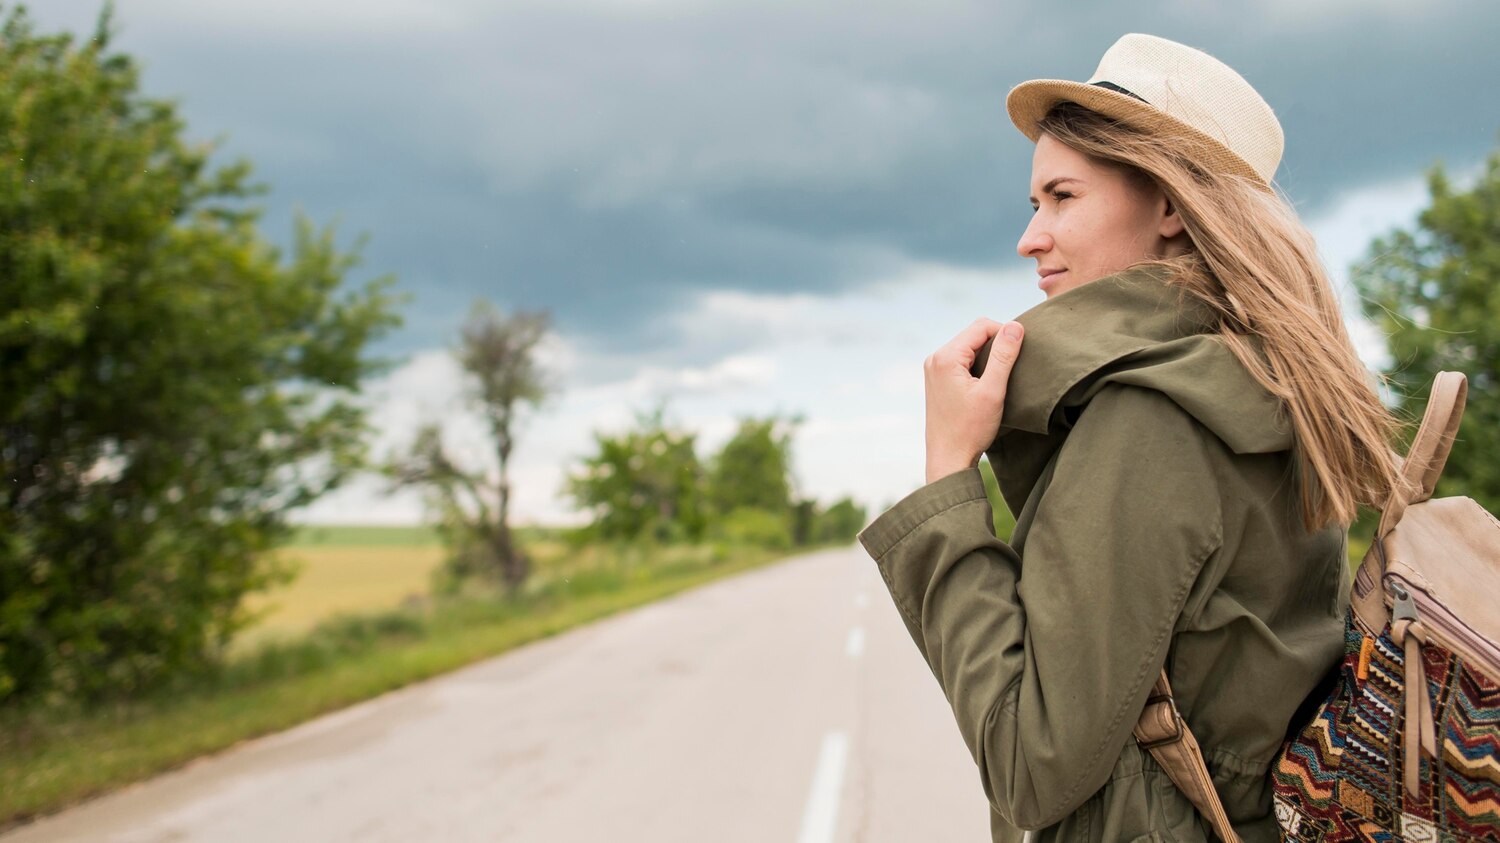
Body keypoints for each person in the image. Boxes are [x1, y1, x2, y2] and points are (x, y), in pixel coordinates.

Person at [856, 33, 1413, 843]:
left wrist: (947, 474)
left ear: (1169, 205)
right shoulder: (1271, 386)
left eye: (1063, 197)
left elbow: (1028, 764)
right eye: (1033, 204)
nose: (1030, 237)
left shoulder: (1154, 415)